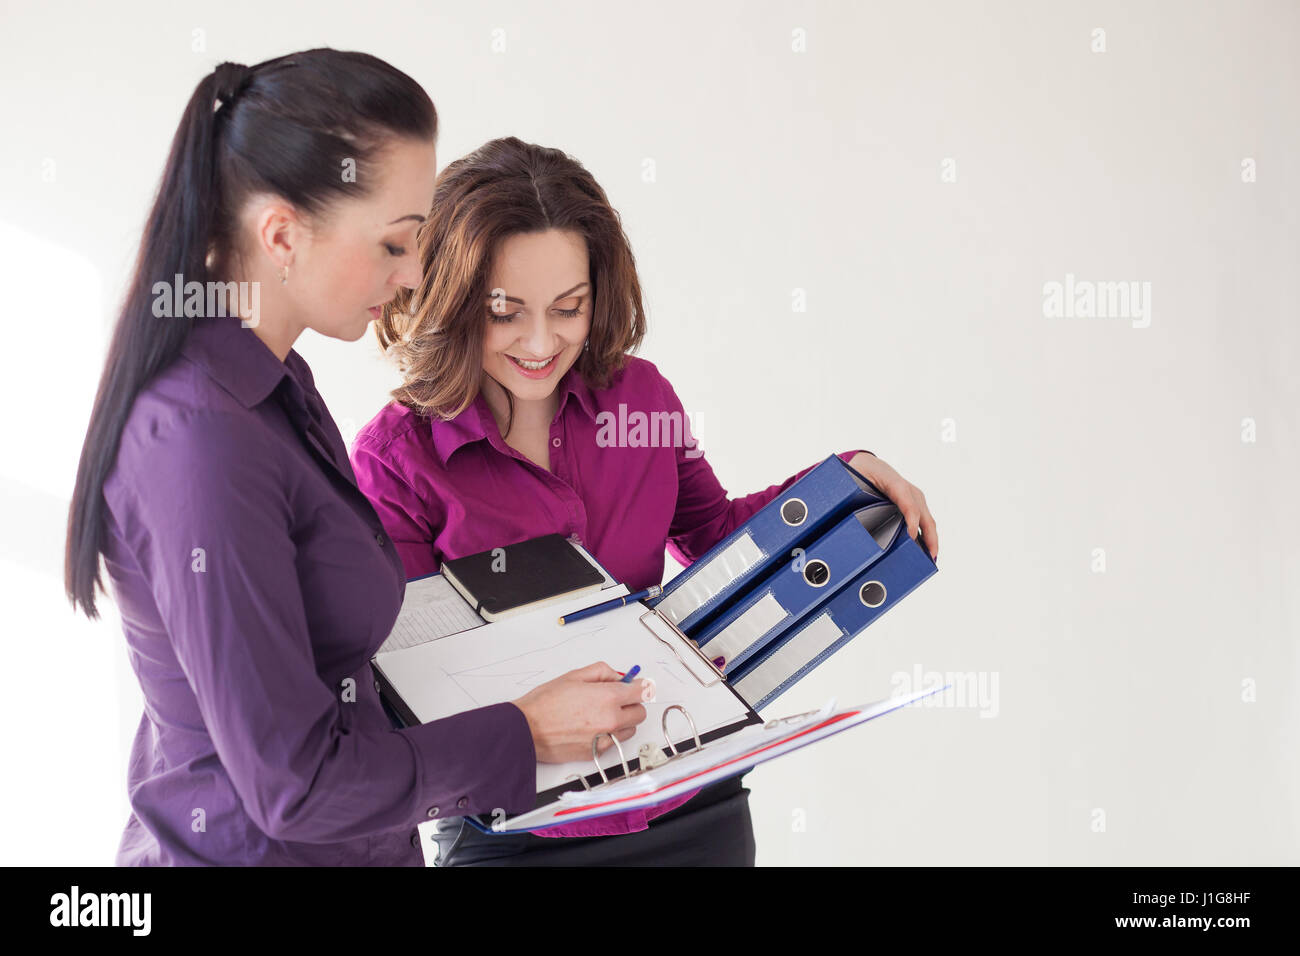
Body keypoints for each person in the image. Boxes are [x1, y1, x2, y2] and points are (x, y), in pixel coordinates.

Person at [64, 51, 645, 866]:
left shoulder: (277, 388)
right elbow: (296, 785)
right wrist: (524, 733)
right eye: (397, 246)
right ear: (282, 235)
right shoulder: (199, 443)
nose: (413, 277)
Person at [351, 136, 940, 866]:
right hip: (517, 833)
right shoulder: (396, 458)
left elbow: (715, 538)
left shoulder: (642, 399)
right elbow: (403, 685)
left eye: (568, 308)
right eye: (506, 313)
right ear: (454, 299)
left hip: (692, 800)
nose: (541, 342)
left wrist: (845, 479)